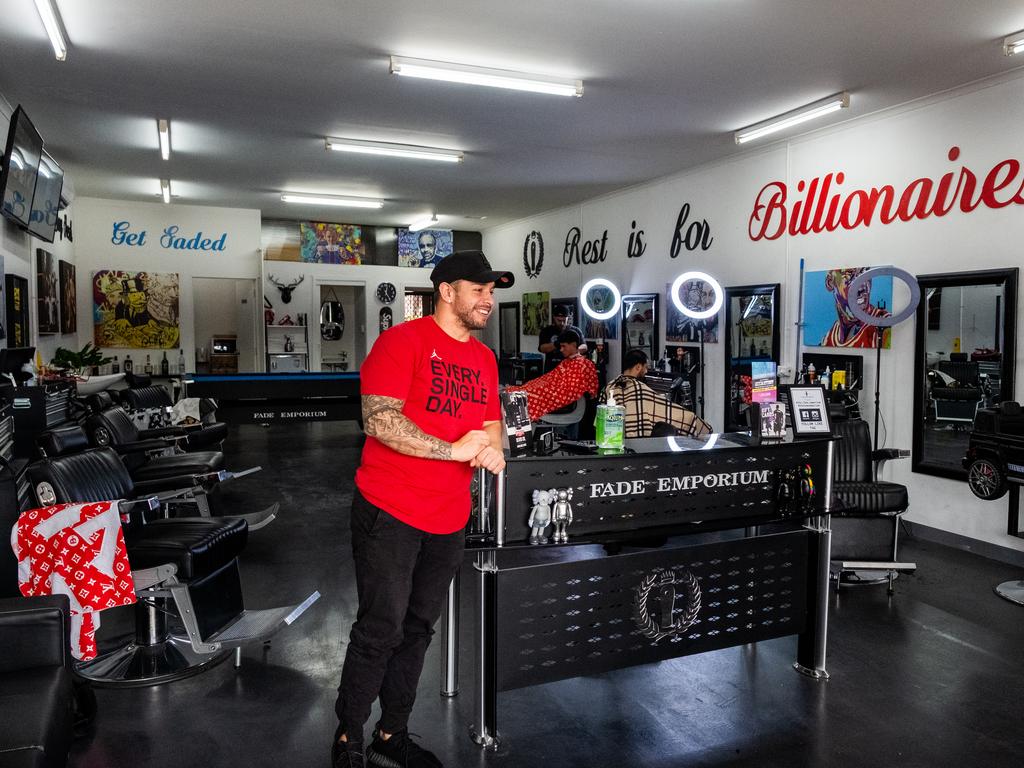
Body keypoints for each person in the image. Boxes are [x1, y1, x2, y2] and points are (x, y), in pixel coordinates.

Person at [332, 250, 514, 768]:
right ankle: (349, 738)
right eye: (478, 290)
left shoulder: (483, 358)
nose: (488, 299)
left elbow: (490, 423)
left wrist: (491, 446)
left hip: (448, 517)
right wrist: (451, 449)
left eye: (491, 291)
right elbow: (380, 421)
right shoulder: (401, 343)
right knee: (380, 630)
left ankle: (391, 734)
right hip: (389, 511)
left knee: (417, 631)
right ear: (446, 292)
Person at [600, 348, 712, 438]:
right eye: (645, 368)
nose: (646, 371)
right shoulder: (639, 389)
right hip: (639, 443)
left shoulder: (609, 386)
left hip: (610, 439)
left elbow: (599, 422)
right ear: (638, 367)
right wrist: (694, 421)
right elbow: (668, 410)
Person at [507, 329, 598, 421]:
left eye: (564, 346)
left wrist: (540, 390)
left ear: (573, 344)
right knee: (517, 391)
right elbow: (549, 379)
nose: (561, 349)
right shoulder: (566, 362)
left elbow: (575, 390)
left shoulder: (585, 364)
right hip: (552, 392)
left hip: (561, 400)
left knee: (525, 396)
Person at [820, 267, 892, 348]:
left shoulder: (883, 327)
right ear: (830, 283)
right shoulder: (827, 339)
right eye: (849, 274)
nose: (862, 285)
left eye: (865, 273)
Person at [537, 304, 585, 371]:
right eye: (559, 320)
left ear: (568, 318)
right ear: (554, 317)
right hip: (552, 369)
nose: (562, 323)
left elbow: (584, 347)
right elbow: (542, 348)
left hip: (571, 369)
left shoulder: (575, 331)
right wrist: (556, 344)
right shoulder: (546, 331)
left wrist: (572, 350)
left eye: (564, 320)